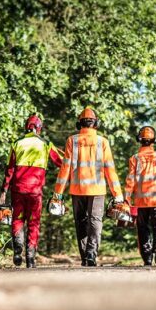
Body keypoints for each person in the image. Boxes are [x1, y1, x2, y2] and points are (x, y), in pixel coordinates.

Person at [53, 107, 123, 267]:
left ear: (80, 124)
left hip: (77, 190)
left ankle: (85, 256)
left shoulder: (72, 140)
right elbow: (110, 170)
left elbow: (65, 169)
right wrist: (118, 195)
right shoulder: (102, 142)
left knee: (81, 222)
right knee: (95, 220)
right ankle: (91, 254)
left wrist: (58, 194)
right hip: (97, 190)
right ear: (95, 124)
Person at [0, 114, 62, 268]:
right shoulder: (46, 144)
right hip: (35, 192)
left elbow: (10, 170)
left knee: (17, 219)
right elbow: (61, 163)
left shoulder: (16, 144)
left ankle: (18, 248)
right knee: (33, 223)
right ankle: (31, 257)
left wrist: (3, 191)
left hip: (18, 190)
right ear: (39, 128)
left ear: (26, 127)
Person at [124, 126, 156, 266]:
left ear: (139, 140)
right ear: (154, 140)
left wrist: (127, 198)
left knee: (143, 229)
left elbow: (130, 180)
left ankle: (147, 259)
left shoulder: (135, 159)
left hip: (141, 201)